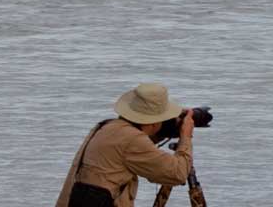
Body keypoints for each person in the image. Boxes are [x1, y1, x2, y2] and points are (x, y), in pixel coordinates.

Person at [55, 83, 194, 207]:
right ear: (154, 121)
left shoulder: (106, 127)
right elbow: (178, 174)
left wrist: (167, 131)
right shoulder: (134, 140)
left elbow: (134, 148)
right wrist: (186, 136)